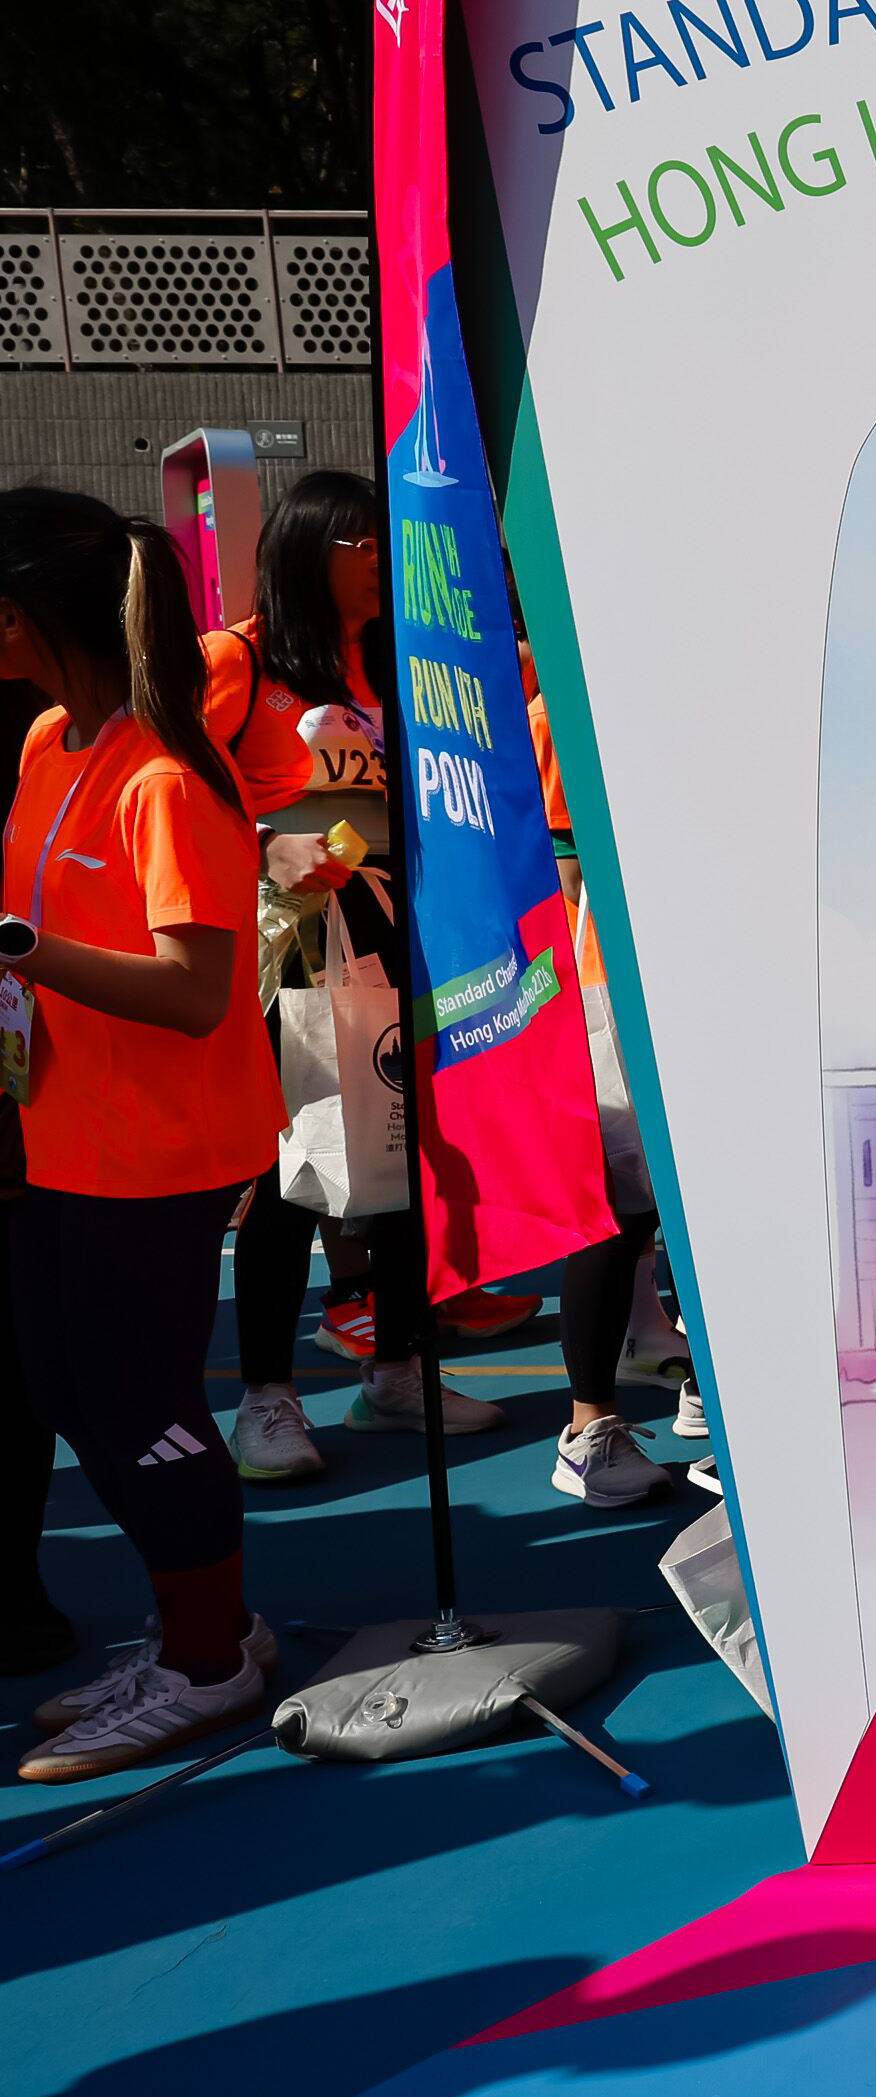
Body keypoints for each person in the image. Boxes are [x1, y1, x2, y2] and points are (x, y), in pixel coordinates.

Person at [0, 487, 285, 1782]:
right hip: (62, 1135)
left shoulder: (166, 779)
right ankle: (199, 1629)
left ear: (20, 617)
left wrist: (19, 950)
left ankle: (210, 1661)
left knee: (138, 1409)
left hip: (161, 1153)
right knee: (67, 1393)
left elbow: (193, 991)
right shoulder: (48, 740)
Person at [201, 470, 501, 1482]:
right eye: (362, 543)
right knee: (293, 1175)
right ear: (307, 547)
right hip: (288, 947)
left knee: (403, 1160)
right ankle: (267, 1396)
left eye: (384, 543)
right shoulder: (237, 658)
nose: (381, 561)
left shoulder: (394, 663)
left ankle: (400, 1369)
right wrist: (262, 848)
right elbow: (168, 793)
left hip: (392, 938)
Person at [527, 644, 672, 1506]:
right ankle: (589, 1426)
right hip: (613, 988)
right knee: (616, 1208)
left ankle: (702, 1385)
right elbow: (567, 872)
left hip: (681, 979)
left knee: (667, 1208)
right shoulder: (562, 716)